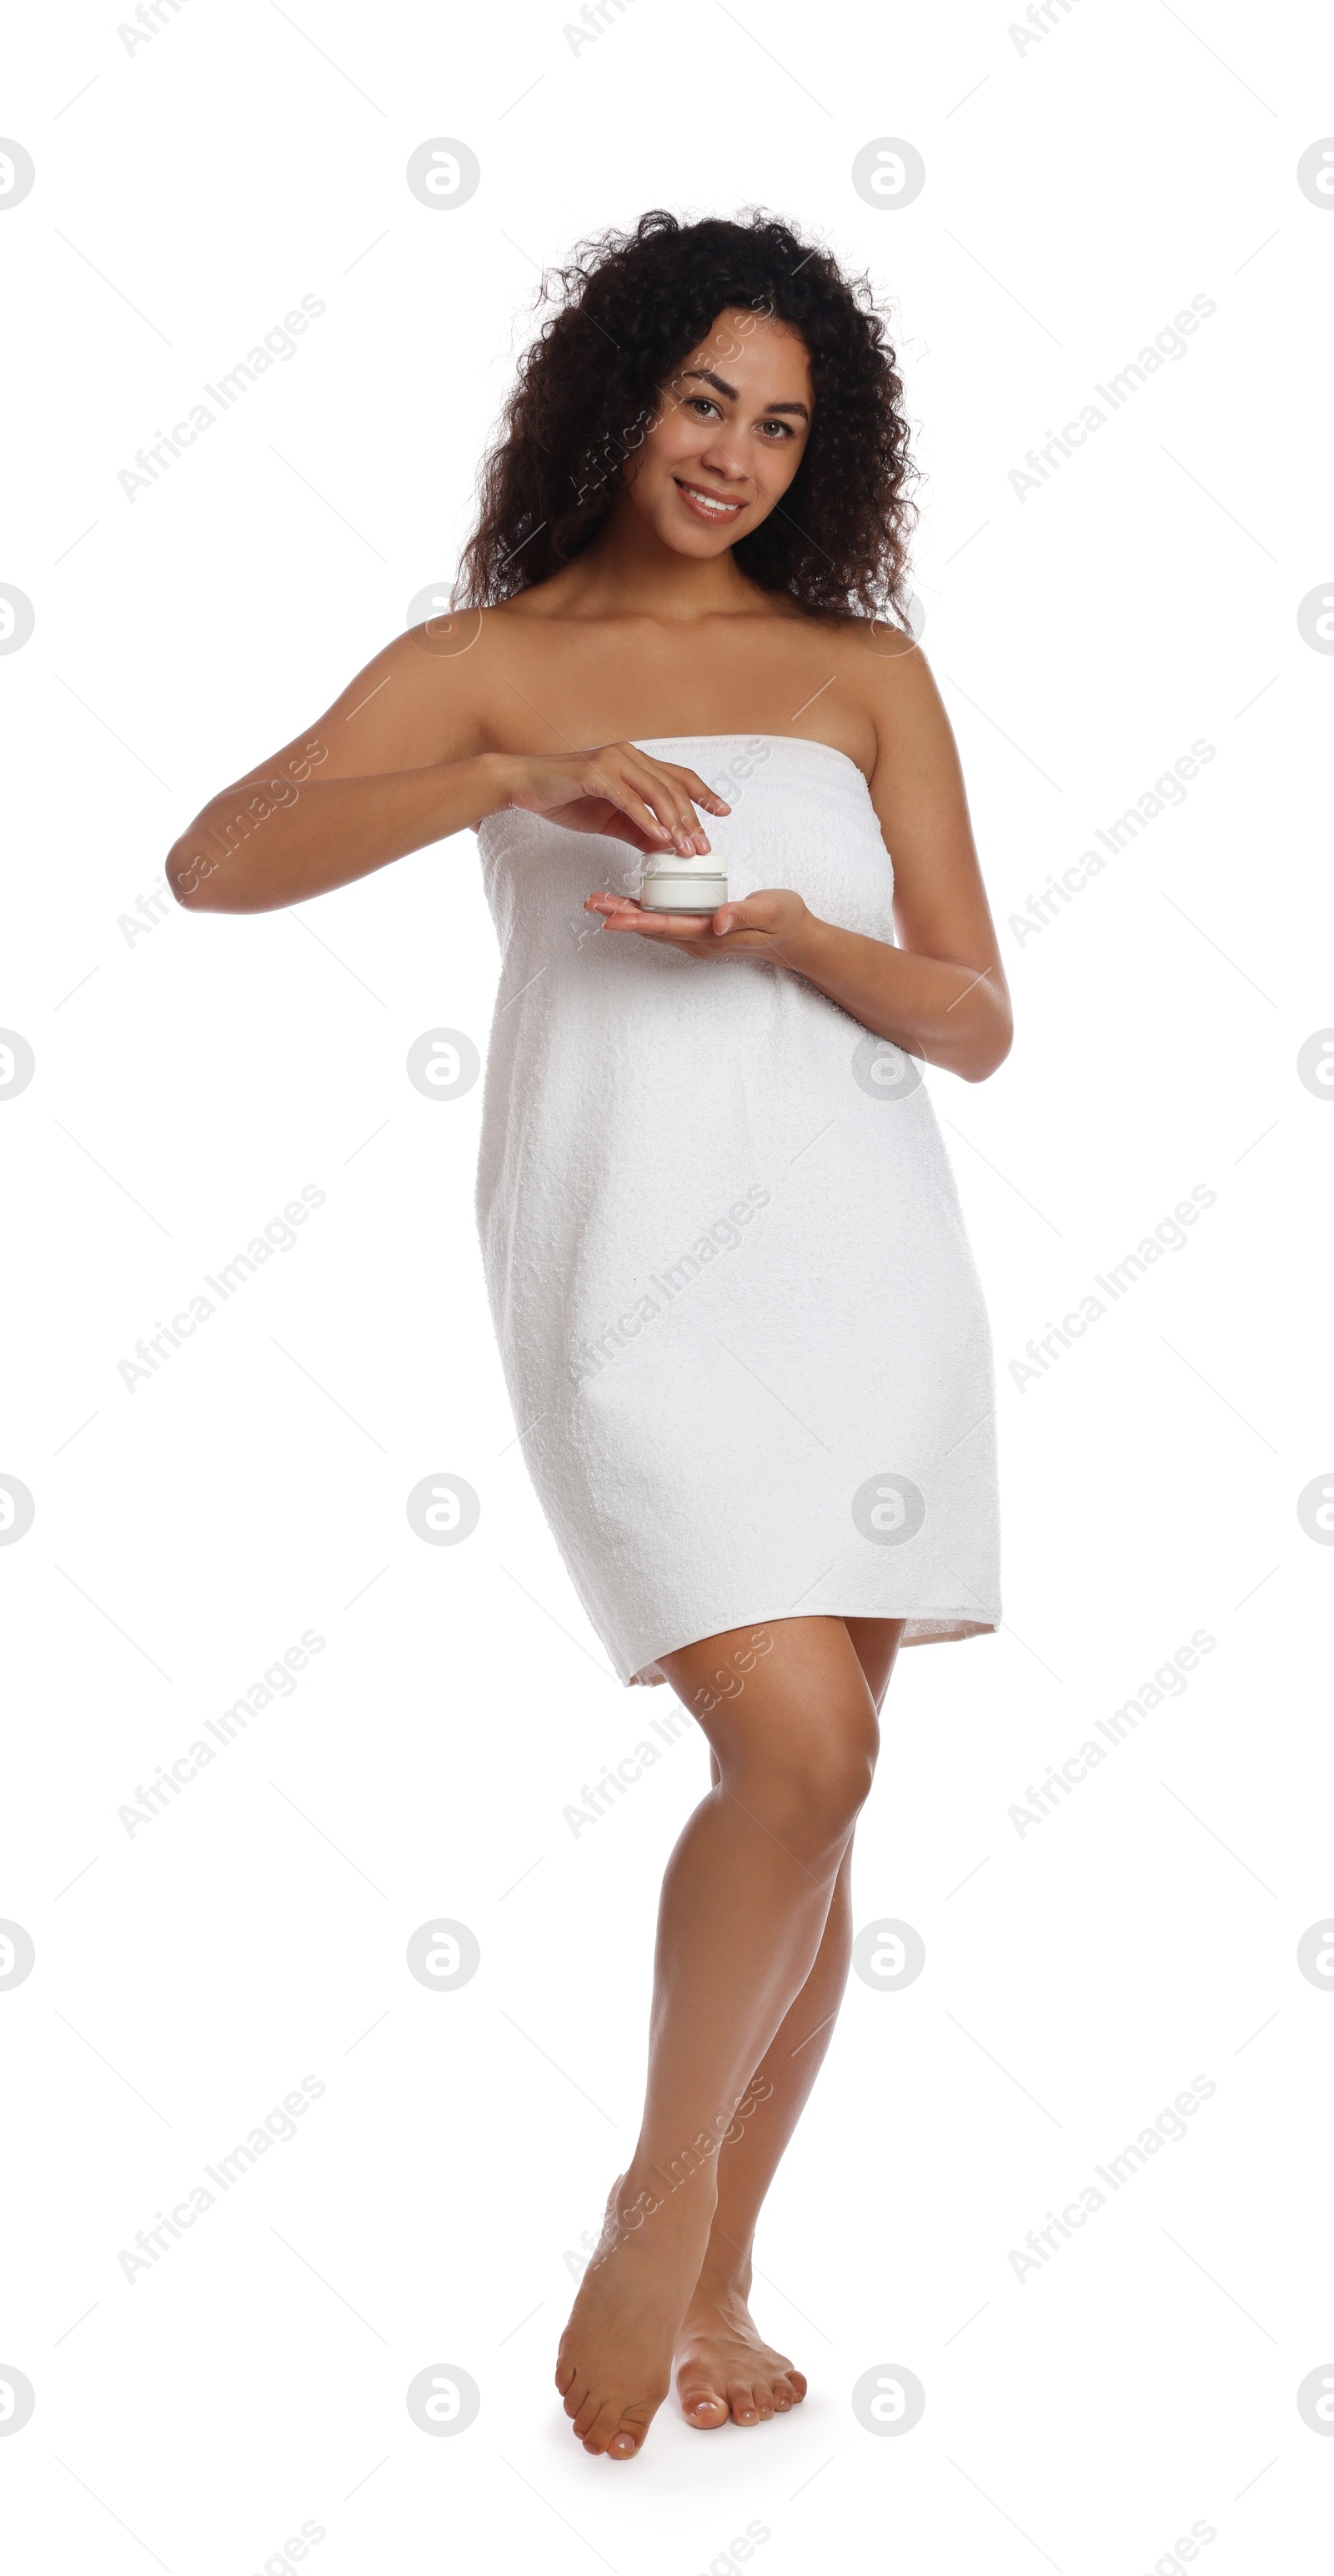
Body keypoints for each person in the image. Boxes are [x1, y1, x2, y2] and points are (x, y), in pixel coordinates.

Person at [168, 208, 1012, 2463]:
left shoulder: (863, 675)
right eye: (702, 396)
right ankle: (665, 2193)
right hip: (623, 1260)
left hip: (863, 1255)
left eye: (782, 422)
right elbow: (218, 856)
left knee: (831, 1780)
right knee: (799, 1757)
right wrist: (498, 782)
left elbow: (978, 1011)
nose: (733, 451)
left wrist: (793, 933)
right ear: (622, 389)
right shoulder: (491, 659)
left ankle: (723, 2266)